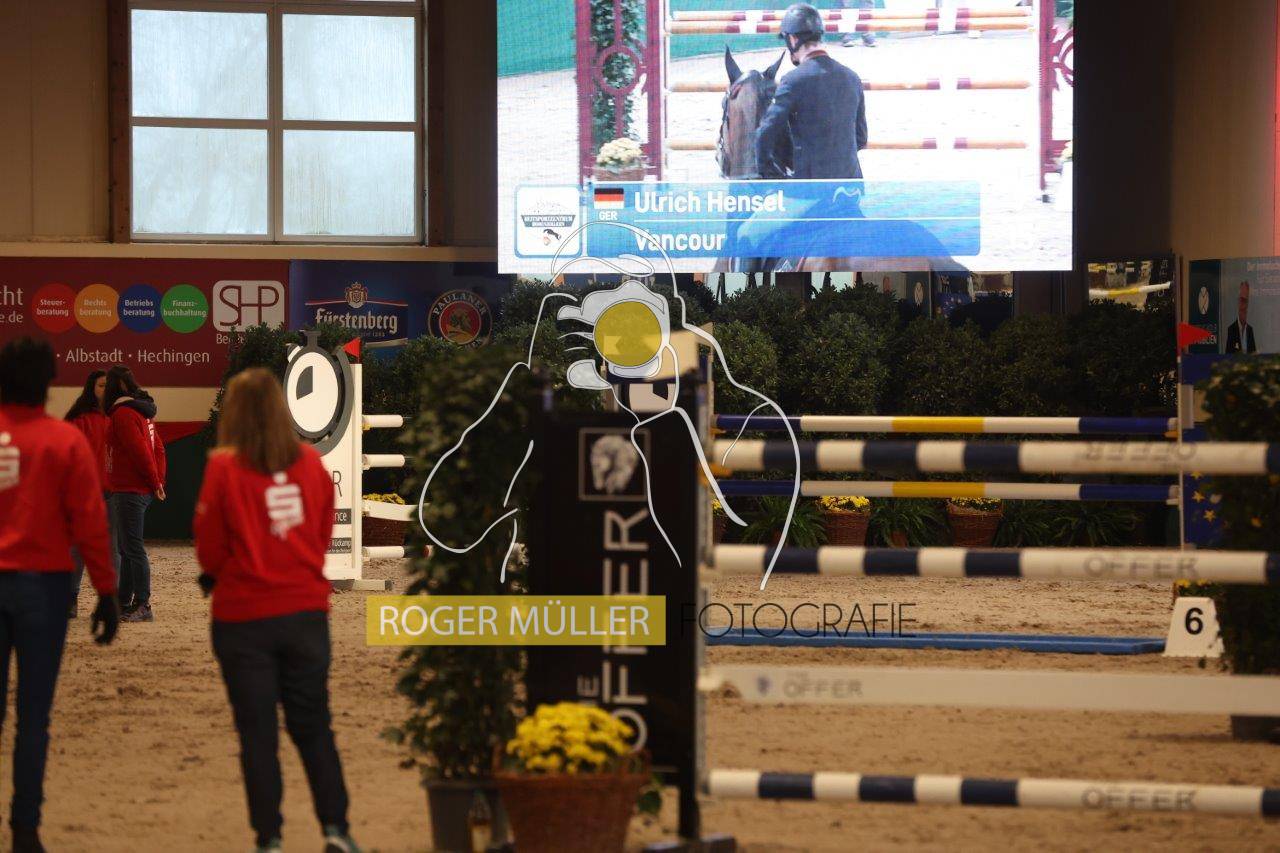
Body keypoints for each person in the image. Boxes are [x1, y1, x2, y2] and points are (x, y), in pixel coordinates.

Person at [194, 368, 359, 853]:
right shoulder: (311, 463)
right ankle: (336, 830)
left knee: (257, 734)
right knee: (314, 725)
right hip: (305, 613)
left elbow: (209, 550)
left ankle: (270, 838)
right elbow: (322, 534)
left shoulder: (223, 468)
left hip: (243, 618)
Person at [0, 337, 119, 853]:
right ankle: (25, 829)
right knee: (34, 716)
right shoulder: (64, 442)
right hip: (43, 589)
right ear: (49, 382)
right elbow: (90, 523)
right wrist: (106, 592)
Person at [755, 2, 869, 180]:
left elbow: (765, 135)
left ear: (793, 39)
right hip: (851, 184)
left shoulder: (792, 81)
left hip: (811, 186)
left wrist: (770, 173)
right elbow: (861, 138)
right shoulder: (852, 78)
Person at [104, 365, 166, 622]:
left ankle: (143, 604)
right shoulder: (143, 412)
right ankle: (124, 602)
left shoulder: (123, 414)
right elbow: (158, 449)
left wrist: (155, 481)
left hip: (130, 488)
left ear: (115, 387)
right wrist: (158, 482)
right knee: (127, 548)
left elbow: (140, 452)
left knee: (133, 549)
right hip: (138, 488)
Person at [64, 370, 112, 617]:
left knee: (114, 549)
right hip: (85, 492)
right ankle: (70, 597)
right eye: (101, 385)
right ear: (91, 388)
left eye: (108, 385)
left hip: (114, 491)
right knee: (78, 548)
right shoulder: (80, 419)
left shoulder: (119, 416)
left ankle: (113, 600)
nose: (106, 389)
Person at [1224, 281, 1257, 354]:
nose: (1243, 305)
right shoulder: (1231, 329)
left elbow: (1254, 353)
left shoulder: (1250, 330)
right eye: (1242, 299)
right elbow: (1228, 354)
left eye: (1246, 300)